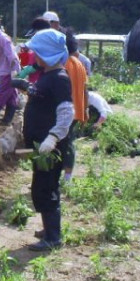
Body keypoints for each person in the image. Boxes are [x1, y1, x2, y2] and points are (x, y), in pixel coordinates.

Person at [11, 28, 73, 251]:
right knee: (42, 185)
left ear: (47, 53)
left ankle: (53, 237)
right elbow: (43, 97)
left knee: (46, 188)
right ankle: (49, 229)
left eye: (37, 52)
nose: (34, 56)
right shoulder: (48, 75)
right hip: (41, 145)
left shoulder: (60, 79)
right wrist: (27, 87)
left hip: (49, 146)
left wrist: (53, 137)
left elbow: (66, 112)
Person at [61, 30, 89, 183]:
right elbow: (85, 89)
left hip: (66, 110)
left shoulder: (66, 64)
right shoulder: (79, 64)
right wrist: (85, 109)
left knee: (65, 142)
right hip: (77, 109)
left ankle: (66, 177)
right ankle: (67, 176)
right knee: (68, 141)